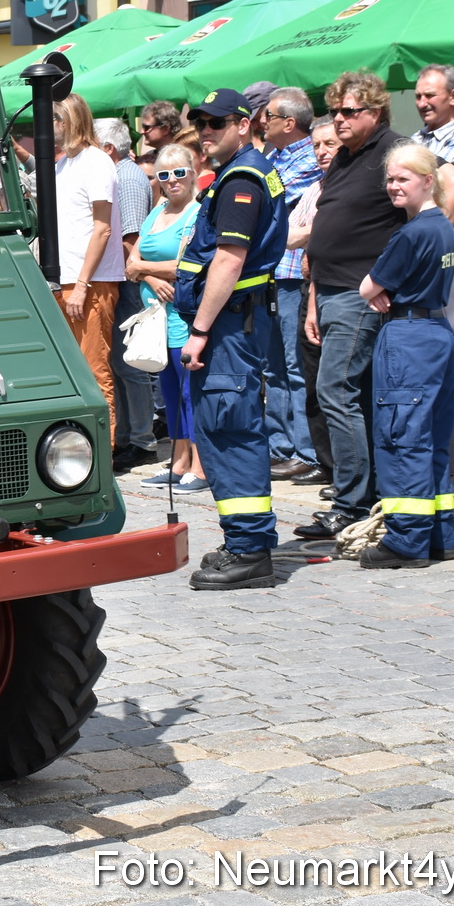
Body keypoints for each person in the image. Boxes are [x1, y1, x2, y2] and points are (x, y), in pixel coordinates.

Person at [173, 88, 287, 590]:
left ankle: (251, 549)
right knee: (228, 426)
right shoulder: (242, 172)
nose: (206, 131)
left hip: (227, 326)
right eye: (201, 123)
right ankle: (246, 541)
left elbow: (230, 260)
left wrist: (199, 330)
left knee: (231, 428)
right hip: (235, 322)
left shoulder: (241, 178)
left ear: (245, 124)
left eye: (217, 123)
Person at [300, 71, 409, 541]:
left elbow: (450, 187)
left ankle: (350, 503)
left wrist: (389, 274)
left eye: (350, 112)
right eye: (335, 112)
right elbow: (327, 228)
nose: (339, 120)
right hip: (329, 291)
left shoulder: (394, 148)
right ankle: (366, 494)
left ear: (376, 112)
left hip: (358, 293)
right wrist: (312, 302)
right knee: (353, 395)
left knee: (336, 392)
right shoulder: (344, 157)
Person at [358, 144, 454, 568]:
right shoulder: (444, 229)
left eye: (403, 178)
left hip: (408, 336)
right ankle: (441, 535)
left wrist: (379, 293)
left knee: (402, 439)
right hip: (436, 332)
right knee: (432, 440)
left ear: (427, 180)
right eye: (390, 179)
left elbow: (367, 288)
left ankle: (406, 540)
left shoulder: (413, 232)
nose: (393, 186)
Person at [126, 144, 207, 494]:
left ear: (192, 172)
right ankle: (177, 461)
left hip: (184, 316)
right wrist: (150, 276)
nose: (172, 180)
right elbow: (132, 264)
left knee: (191, 392)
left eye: (178, 173)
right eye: (163, 175)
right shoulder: (156, 211)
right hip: (157, 319)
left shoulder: (197, 213)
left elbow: (188, 265)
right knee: (170, 391)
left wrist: (144, 269)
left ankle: (200, 466)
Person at [53, 94, 125, 448]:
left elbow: (103, 227)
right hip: (66, 279)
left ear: (68, 121)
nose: (47, 124)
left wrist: (82, 284)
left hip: (90, 281)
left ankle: (104, 452)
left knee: (95, 371)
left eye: (53, 118)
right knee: (72, 374)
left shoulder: (96, 162)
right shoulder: (63, 163)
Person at [261, 88, 325, 483]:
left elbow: (272, 199)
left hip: (290, 272)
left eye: (268, 115)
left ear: (289, 122)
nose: (261, 121)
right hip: (269, 269)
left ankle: (304, 450)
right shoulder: (273, 158)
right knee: (273, 368)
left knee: (294, 366)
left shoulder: (306, 158)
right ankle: (278, 446)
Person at [98, 117, 158, 472]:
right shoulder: (119, 174)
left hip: (129, 283)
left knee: (131, 363)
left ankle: (142, 440)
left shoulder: (128, 177)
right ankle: (127, 437)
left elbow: (131, 241)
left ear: (108, 149)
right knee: (120, 365)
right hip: (118, 280)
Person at [286, 117, 340, 490]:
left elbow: (329, 234)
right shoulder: (313, 189)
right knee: (312, 381)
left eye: (329, 145)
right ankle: (325, 461)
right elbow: (288, 236)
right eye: (317, 145)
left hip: (338, 290)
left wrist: (314, 233)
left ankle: (346, 470)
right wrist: (314, 231)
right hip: (309, 287)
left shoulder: (347, 188)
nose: (321, 152)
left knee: (337, 386)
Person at [410, 64, 454, 183]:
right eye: (418, 96)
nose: (421, 104)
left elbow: (430, 186)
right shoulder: (418, 137)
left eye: (429, 95)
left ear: (453, 96)